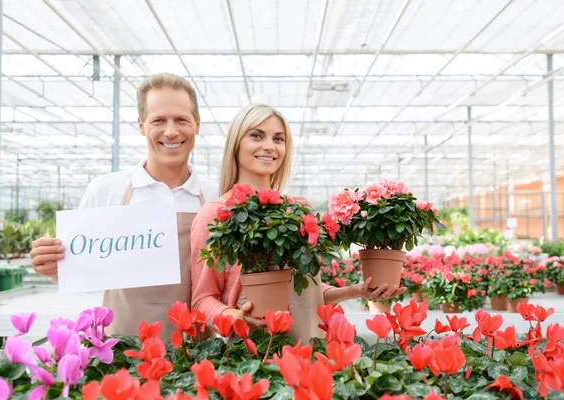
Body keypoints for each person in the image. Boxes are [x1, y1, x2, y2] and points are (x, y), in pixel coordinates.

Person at [190, 104, 407, 343]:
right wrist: (233, 315)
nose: (269, 146)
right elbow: (202, 300)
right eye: (256, 135)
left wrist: (356, 291)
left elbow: (304, 291)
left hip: (309, 344)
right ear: (236, 144)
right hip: (257, 352)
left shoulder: (293, 211)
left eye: (278, 139)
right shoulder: (215, 215)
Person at [29, 73, 218, 340]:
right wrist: (52, 265)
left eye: (181, 119)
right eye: (159, 120)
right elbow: (78, 271)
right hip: (121, 353)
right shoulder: (106, 191)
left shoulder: (215, 195)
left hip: (196, 355)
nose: (171, 131)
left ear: (197, 124)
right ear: (142, 125)